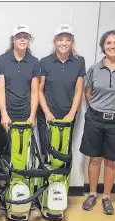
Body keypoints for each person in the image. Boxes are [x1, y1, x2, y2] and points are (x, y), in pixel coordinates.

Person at [80, 30, 115, 215]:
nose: (112, 46)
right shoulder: (94, 69)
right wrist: (98, 107)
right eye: (108, 43)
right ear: (103, 46)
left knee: (111, 161)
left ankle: (106, 197)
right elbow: (88, 93)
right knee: (95, 159)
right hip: (95, 119)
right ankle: (92, 194)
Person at [37, 24, 86, 156]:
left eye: (68, 40)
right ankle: (46, 177)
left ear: (72, 42)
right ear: (54, 41)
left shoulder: (79, 62)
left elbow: (78, 91)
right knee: (46, 152)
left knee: (63, 152)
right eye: (60, 39)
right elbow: (39, 90)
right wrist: (47, 113)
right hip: (47, 116)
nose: (64, 43)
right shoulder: (45, 62)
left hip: (67, 116)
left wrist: (71, 114)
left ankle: (61, 177)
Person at [0, 24, 40, 141]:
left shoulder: (34, 62)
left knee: (23, 151)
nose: (22, 40)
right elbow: (0, 90)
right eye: (18, 37)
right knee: (8, 152)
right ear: (13, 40)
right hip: (8, 114)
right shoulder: (2, 60)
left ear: (29, 40)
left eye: (25, 37)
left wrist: (32, 116)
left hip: (26, 114)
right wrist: (4, 114)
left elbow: (35, 92)